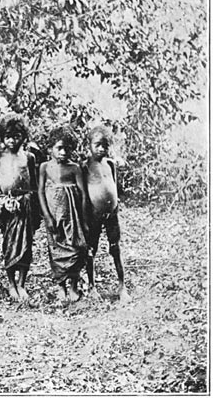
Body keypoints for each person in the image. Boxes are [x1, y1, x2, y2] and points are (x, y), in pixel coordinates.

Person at [38, 126, 89, 303]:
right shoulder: (45, 167)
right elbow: (40, 192)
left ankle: (73, 285)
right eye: (59, 148)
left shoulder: (74, 168)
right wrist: (47, 216)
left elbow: (82, 194)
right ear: (50, 148)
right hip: (53, 215)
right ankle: (61, 285)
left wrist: (83, 218)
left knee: (76, 248)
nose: (63, 152)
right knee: (56, 249)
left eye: (67, 148)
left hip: (73, 217)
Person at [82, 125, 131, 303]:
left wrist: (115, 208)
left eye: (105, 145)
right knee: (90, 250)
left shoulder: (110, 164)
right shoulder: (85, 167)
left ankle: (122, 286)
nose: (101, 149)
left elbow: (114, 188)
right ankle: (92, 286)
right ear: (89, 145)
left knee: (115, 248)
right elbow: (84, 194)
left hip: (111, 214)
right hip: (93, 215)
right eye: (97, 145)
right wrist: (87, 217)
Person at [0, 114, 38, 302]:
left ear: (24, 136)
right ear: (2, 137)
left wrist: (29, 201)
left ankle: (21, 283)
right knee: (9, 244)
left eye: (17, 135)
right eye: (8, 136)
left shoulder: (29, 157)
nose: (12, 140)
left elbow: (34, 185)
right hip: (7, 208)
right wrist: (2, 202)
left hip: (25, 206)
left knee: (26, 245)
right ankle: (11, 283)